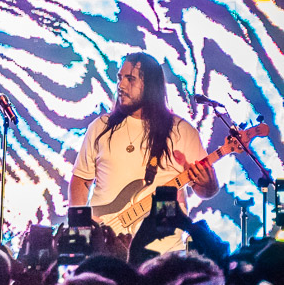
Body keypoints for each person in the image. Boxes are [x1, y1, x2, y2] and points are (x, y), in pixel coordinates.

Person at [69, 52, 219, 252]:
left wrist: (208, 184)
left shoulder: (181, 131)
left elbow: (204, 190)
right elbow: (81, 180)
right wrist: (79, 229)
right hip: (106, 248)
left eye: (130, 79)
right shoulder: (100, 127)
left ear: (150, 85)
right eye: (120, 78)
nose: (121, 85)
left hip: (163, 254)